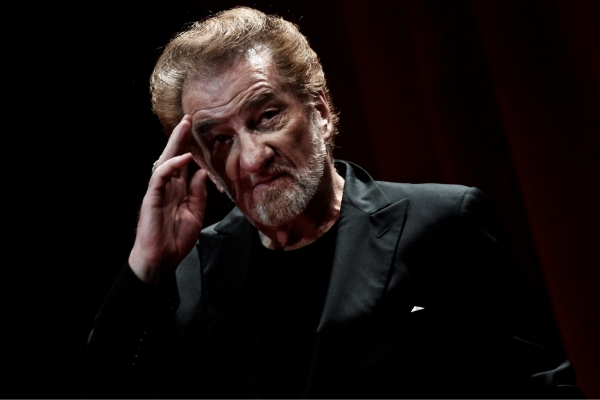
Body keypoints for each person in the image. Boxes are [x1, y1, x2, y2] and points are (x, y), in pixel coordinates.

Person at [85, 6, 584, 399]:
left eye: (266, 116)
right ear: (205, 166)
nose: (253, 159)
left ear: (320, 112)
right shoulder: (189, 273)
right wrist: (144, 266)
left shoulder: (443, 225)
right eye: (220, 140)